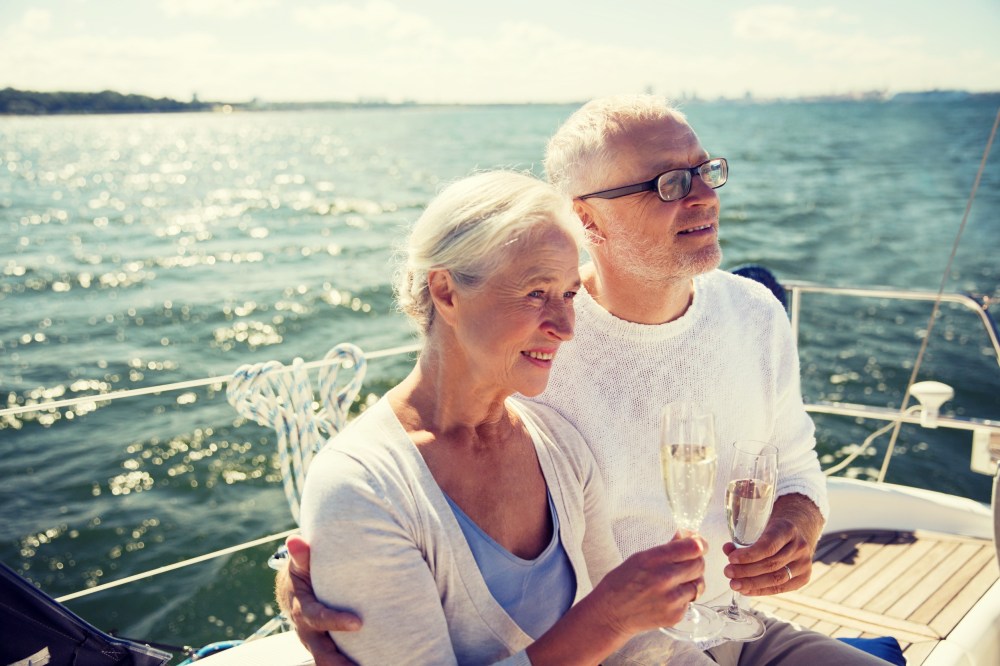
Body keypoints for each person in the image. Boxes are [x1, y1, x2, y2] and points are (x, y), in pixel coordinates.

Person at [281, 96, 890, 665]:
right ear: (587, 219)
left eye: (707, 171)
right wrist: (322, 564)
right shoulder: (527, 367)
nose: (704, 196)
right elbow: (401, 474)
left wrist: (799, 523)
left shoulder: (754, 315)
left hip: (734, 625)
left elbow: (794, 462)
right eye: (669, 183)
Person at [295, 169, 710, 665]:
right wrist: (608, 618)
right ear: (447, 293)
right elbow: (614, 624)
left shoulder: (558, 446)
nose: (564, 327)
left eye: (570, 294)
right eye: (536, 292)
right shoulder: (360, 487)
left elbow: (639, 650)